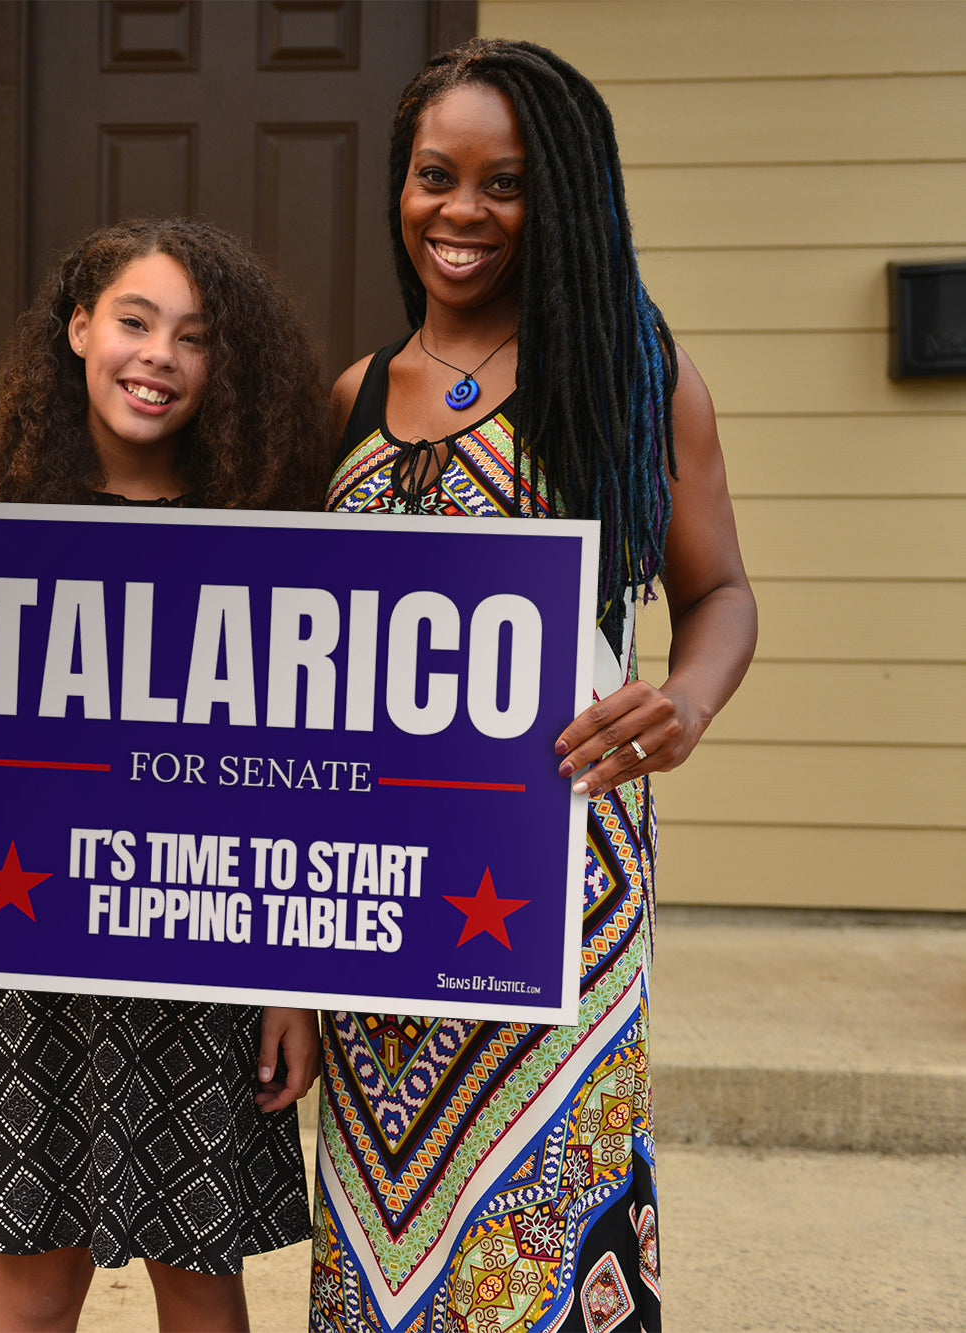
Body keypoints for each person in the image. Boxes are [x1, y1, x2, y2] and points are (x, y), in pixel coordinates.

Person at [311, 39, 756, 1333]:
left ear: (559, 198)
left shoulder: (629, 381)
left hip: (562, 887)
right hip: (376, 900)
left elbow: (721, 593)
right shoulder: (347, 402)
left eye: (503, 184)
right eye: (433, 175)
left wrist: (687, 700)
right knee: (382, 1240)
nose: (460, 211)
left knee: (542, 1225)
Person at [0, 218, 331, 1333]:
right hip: (38, 950)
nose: (159, 355)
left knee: (200, 1279)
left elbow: (290, 785)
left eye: (194, 335)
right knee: (35, 1277)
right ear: (79, 329)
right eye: (134, 321)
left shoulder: (261, 536)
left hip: (208, 948)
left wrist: (292, 986)